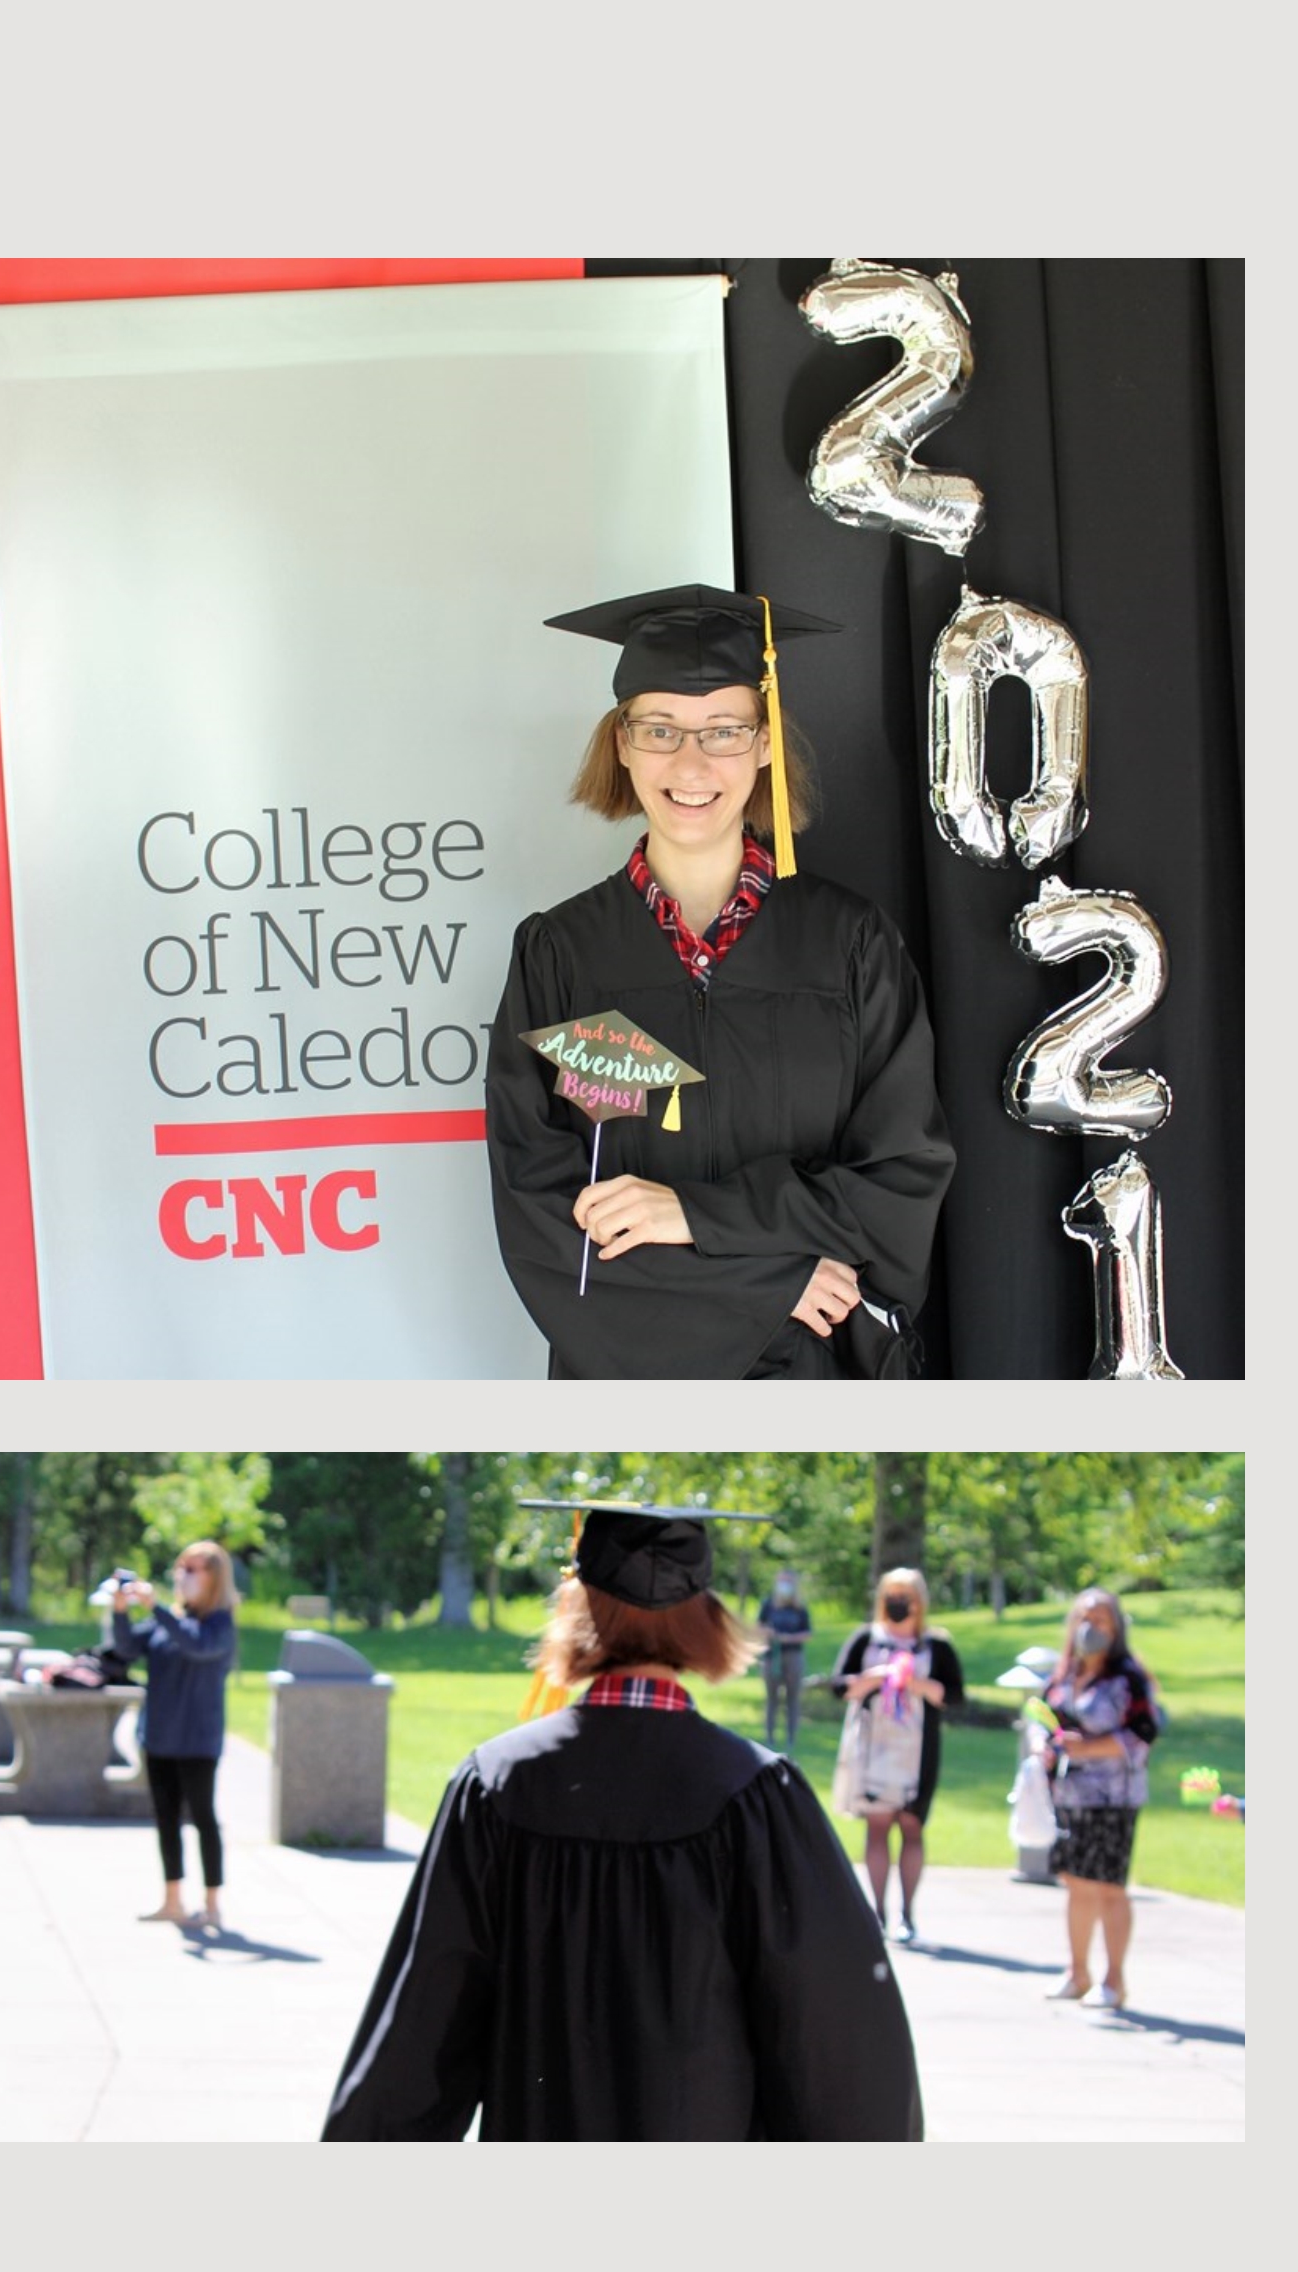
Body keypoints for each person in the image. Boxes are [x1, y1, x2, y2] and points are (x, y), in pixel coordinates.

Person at [323, 1504, 920, 2140]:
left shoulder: (498, 1785)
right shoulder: (756, 1794)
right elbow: (831, 2035)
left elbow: (424, 2024)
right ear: (704, 1616)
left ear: (576, 1607)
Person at [486, 586, 956, 1378]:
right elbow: (538, 1210)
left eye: (725, 731)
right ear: (622, 744)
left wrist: (692, 1215)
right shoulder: (561, 954)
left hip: (818, 1369)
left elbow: (900, 1177)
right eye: (659, 729)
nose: (691, 763)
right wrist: (765, 1282)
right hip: (633, 1381)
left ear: (765, 744)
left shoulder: (851, 945)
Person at [102, 1542, 241, 1935]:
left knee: (203, 1818)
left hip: (197, 1740)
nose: (183, 1575)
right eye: (181, 1567)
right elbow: (126, 1648)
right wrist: (120, 1610)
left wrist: (156, 1607)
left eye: (193, 1569)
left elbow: (196, 1645)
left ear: (215, 1577)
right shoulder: (168, 1621)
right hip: (159, 1737)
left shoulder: (220, 1624)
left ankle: (212, 1905)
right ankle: (172, 1900)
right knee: (166, 1819)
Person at [826, 1566, 965, 1945]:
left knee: (911, 1826)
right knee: (877, 1828)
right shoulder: (866, 1640)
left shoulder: (936, 1646)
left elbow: (954, 1695)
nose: (899, 1604)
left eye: (907, 1597)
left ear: (920, 1602)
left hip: (917, 1753)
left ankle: (907, 1913)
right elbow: (840, 1686)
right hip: (873, 1751)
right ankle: (877, 1913)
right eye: (893, 1596)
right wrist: (876, 1676)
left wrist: (914, 1682)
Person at [1041, 1588, 1163, 2010]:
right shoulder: (1064, 1674)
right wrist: (1047, 1748)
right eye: (1084, 1618)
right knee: (1076, 1883)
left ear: (1116, 1627)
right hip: (1070, 1795)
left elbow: (1145, 1733)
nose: (1090, 1627)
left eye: (1100, 1619)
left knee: (1109, 1886)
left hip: (1114, 1798)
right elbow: (1046, 1720)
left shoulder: (1128, 1678)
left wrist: (1089, 1748)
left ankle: (1114, 1980)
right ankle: (1077, 1972)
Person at [759, 1567, 812, 1749]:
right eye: (782, 1581)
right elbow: (759, 1626)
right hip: (772, 1656)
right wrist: (769, 1633)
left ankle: (791, 1738)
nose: (784, 1585)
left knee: (792, 1698)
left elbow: (808, 1633)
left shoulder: (800, 1608)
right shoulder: (768, 1605)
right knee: (772, 1698)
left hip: (793, 1655)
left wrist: (788, 1638)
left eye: (788, 1581)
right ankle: (769, 1737)